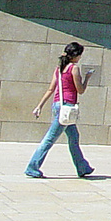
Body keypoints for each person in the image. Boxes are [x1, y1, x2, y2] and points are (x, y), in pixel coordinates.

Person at [25, 41, 95, 179]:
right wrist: (86, 78)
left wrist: (39, 106)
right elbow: (80, 90)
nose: (80, 57)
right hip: (67, 108)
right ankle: (32, 167)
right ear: (75, 55)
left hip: (59, 105)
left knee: (74, 137)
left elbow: (51, 89)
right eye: (80, 55)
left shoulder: (59, 69)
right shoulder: (73, 69)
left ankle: (82, 167)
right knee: (50, 139)